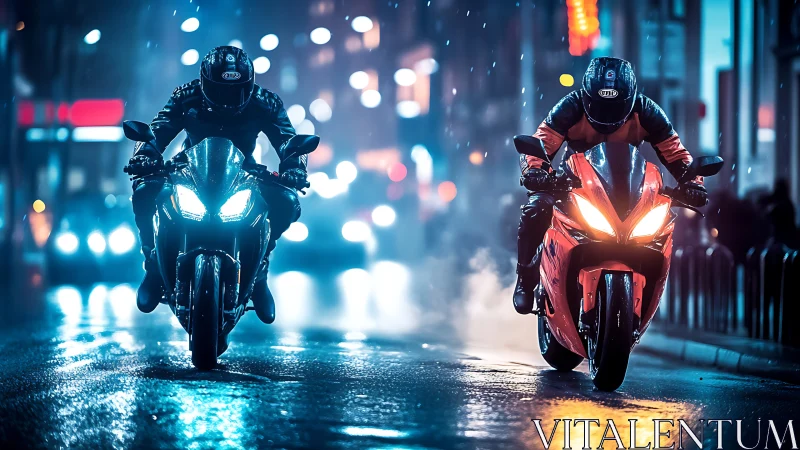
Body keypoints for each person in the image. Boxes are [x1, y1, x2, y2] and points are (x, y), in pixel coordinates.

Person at [126, 46, 309, 324]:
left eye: (235, 91)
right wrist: (144, 157)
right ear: (204, 82)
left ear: (249, 84)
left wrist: (295, 168)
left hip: (244, 174)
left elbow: (287, 140)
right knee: (145, 191)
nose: (228, 99)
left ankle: (260, 271)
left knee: (286, 201)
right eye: (220, 90)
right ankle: (152, 265)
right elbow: (157, 131)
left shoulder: (266, 102)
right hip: (189, 171)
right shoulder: (185, 97)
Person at [513, 56, 708, 314]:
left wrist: (693, 181)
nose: (607, 114)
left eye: (615, 106)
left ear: (630, 99)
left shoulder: (647, 110)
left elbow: (676, 153)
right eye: (600, 105)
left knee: (665, 224)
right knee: (535, 208)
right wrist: (535, 170)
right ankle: (526, 279)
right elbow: (542, 140)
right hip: (574, 184)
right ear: (587, 95)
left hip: (629, 187)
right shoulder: (570, 106)